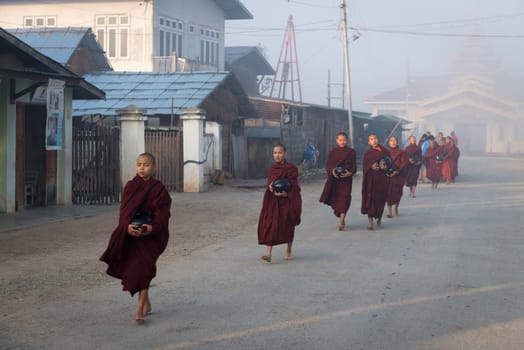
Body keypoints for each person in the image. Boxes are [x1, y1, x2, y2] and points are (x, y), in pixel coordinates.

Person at [100, 153, 172, 325]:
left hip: (151, 235)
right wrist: (126, 227)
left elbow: (162, 214)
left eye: (146, 165)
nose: (141, 168)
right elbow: (124, 212)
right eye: (139, 164)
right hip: (133, 234)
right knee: (138, 270)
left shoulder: (159, 188)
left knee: (145, 268)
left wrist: (152, 228)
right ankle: (146, 302)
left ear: (154, 167)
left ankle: (139, 308)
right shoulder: (131, 186)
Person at [258, 144, 302, 262]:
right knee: (271, 224)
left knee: (288, 226)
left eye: (280, 153)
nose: (277, 155)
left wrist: (286, 194)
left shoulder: (291, 168)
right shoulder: (273, 168)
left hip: (287, 200)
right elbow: (270, 183)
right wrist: (271, 188)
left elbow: (295, 186)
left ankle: (288, 250)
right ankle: (268, 253)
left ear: (285, 154)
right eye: (275, 153)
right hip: (274, 200)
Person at [319, 132, 357, 230]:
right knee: (336, 199)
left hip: (346, 180)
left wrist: (350, 173)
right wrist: (332, 172)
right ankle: (342, 217)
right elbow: (329, 165)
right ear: (336, 140)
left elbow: (354, 166)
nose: (342, 142)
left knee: (345, 198)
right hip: (335, 180)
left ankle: (341, 221)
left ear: (347, 140)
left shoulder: (351, 152)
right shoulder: (333, 152)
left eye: (344, 140)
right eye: (340, 140)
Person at [361, 133, 390, 230]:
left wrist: (385, 167)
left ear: (378, 139)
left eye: (375, 138)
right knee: (371, 198)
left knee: (380, 199)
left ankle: (379, 220)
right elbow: (365, 167)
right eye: (371, 139)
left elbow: (390, 164)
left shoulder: (385, 151)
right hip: (371, 180)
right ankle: (370, 221)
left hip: (382, 179)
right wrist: (371, 167)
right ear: (369, 142)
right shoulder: (368, 153)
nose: (374, 140)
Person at [386, 136, 407, 218]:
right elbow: (383, 162)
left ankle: (396, 208)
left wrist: (397, 171)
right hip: (389, 175)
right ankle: (389, 211)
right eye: (391, 140)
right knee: (389, 192)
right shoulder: (386, 152)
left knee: (398, 192)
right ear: (389, 142)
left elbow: (404, 163)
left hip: (399, 175)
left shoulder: (401, 152)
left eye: (394, 140)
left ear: (397, 142)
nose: (393, 142)